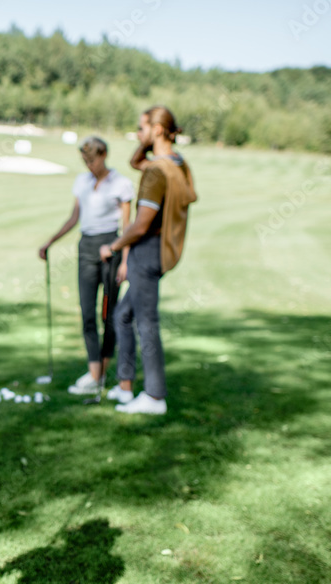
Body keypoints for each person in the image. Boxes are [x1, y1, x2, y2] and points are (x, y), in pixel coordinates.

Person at [98, 106, 197, 415]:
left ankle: (154, 396)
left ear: (156, 130)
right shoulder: (178, 164)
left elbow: (140, 224)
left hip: (145, 250)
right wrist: (150, 139)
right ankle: (126, 386)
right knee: (123, 316)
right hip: (159, 249)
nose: (138, 134)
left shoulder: (157, 171)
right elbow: (135, 161)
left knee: (146, 323)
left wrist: (114, 246)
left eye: (142, 128)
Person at [38, 137, 134, 397]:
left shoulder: (121, 184)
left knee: (109, 315)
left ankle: (102, 372)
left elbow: (127, 228)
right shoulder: (82, 182)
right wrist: (51, 241)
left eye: (93, 160)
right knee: (87, 314)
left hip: (110, 250)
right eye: (86, 161)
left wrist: (125, 260)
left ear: (104, 155)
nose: (90, 165)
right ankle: (94, 373)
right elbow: (74, 218)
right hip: (87, 248)